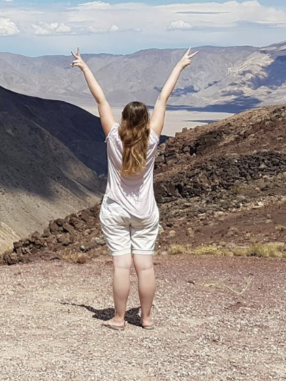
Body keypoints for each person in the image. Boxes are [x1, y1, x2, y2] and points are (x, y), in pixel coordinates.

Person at [70, 46, 197, 330]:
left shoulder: (113, 136)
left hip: (114, 210)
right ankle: (147, 318)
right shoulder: (152, 140)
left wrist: (84, 66)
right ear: (145, 121)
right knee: (145, 267)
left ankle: (118, 318)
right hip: (145, 212)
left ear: (125, 119)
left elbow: (100, 98)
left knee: (121, 266)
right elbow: (164, 97)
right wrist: (180, 65)